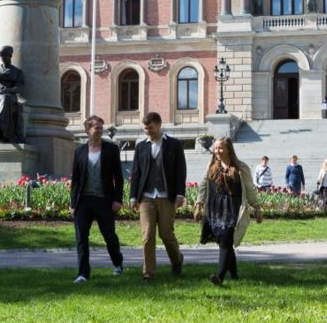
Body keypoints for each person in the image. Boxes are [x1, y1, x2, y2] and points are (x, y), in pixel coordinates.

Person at [194, 137, 263, 285]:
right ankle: (235, 275)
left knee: (225, 239)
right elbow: (203, 185)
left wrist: (257, 207)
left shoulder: (241, 168)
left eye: (221, 148)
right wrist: (198, 205)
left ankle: (219, 277)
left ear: (229, 149)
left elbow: (250, 188)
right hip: (215, 209)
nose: (217, 151)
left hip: (233, 209)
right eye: (215, 148)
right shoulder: (211, 165)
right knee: (224, 242)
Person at [129, 111, 186, 281]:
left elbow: (180, 171)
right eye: (146, 129)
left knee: (166, 234)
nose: (148, 132)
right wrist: (133, 197)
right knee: (147, 235)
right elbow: (136, 173)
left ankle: (177, 260)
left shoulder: (174, 145)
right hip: (146, 197)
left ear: (159, 125)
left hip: (166, 196)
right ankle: (149, 273)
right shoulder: (141, 147)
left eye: (151, 128)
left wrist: (180, 194)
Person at [69, 115, 124, 284]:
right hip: (83, 201)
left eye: (101, 127)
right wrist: (73, 204)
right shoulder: (79, 151)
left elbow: (118, 177)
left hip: (104, 200)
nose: (100, 130)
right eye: (96, 127)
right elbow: (75, 180)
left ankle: (118, 262)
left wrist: (118, 199)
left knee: (109, 235)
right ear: (88, 130)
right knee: (81, 238)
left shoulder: (111, 149)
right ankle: (83, 273)